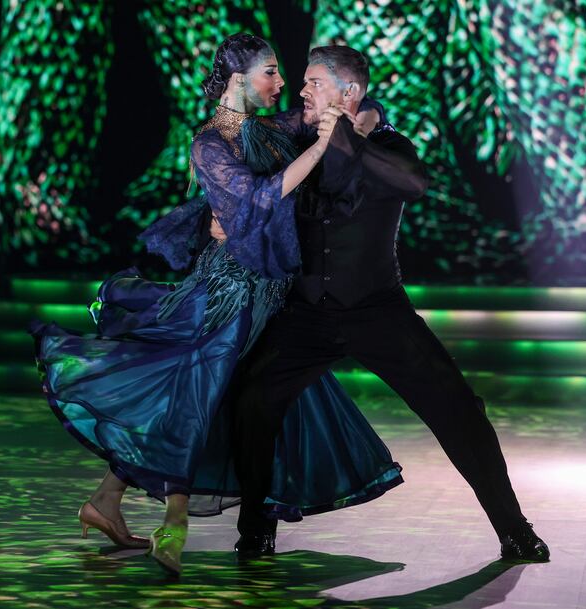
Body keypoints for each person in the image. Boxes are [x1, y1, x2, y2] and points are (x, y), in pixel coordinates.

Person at [30, 33, 403, 577]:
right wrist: (322, 149)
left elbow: (361, 102)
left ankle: (107, 500)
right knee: (200, 392)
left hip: (272, 292)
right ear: (238, 79)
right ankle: (174, 523)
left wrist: (361, 122)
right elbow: (254, 202)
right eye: (271, 72)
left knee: (218, 396)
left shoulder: (272, 128)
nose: (284, 83)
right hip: (230, 290)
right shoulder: (209, 143)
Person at [231, 45, 550, 563]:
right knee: (252, 401)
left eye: (314, 82)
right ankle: (255, 528)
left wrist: (352, 134)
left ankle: (513, 528)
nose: (302, 90)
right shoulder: (294, 141)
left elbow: (414, 183)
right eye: (304, 82)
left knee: (458, 409)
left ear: (349, 92)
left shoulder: (388, 144)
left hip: (376, 308)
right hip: (307, 312)